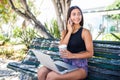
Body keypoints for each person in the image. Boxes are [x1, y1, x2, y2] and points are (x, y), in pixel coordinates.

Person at [37, 6, 93, 80]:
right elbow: (61, 47)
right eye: (74, 14)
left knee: (52, 76)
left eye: (79, 14)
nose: (77, 16)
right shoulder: (65, 32)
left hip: (80, 68)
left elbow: (90, 53)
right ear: (69, 17)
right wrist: (69, 31)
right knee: (41, 71)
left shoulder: (85, 32)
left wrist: (72, 55)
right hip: (66, 64)